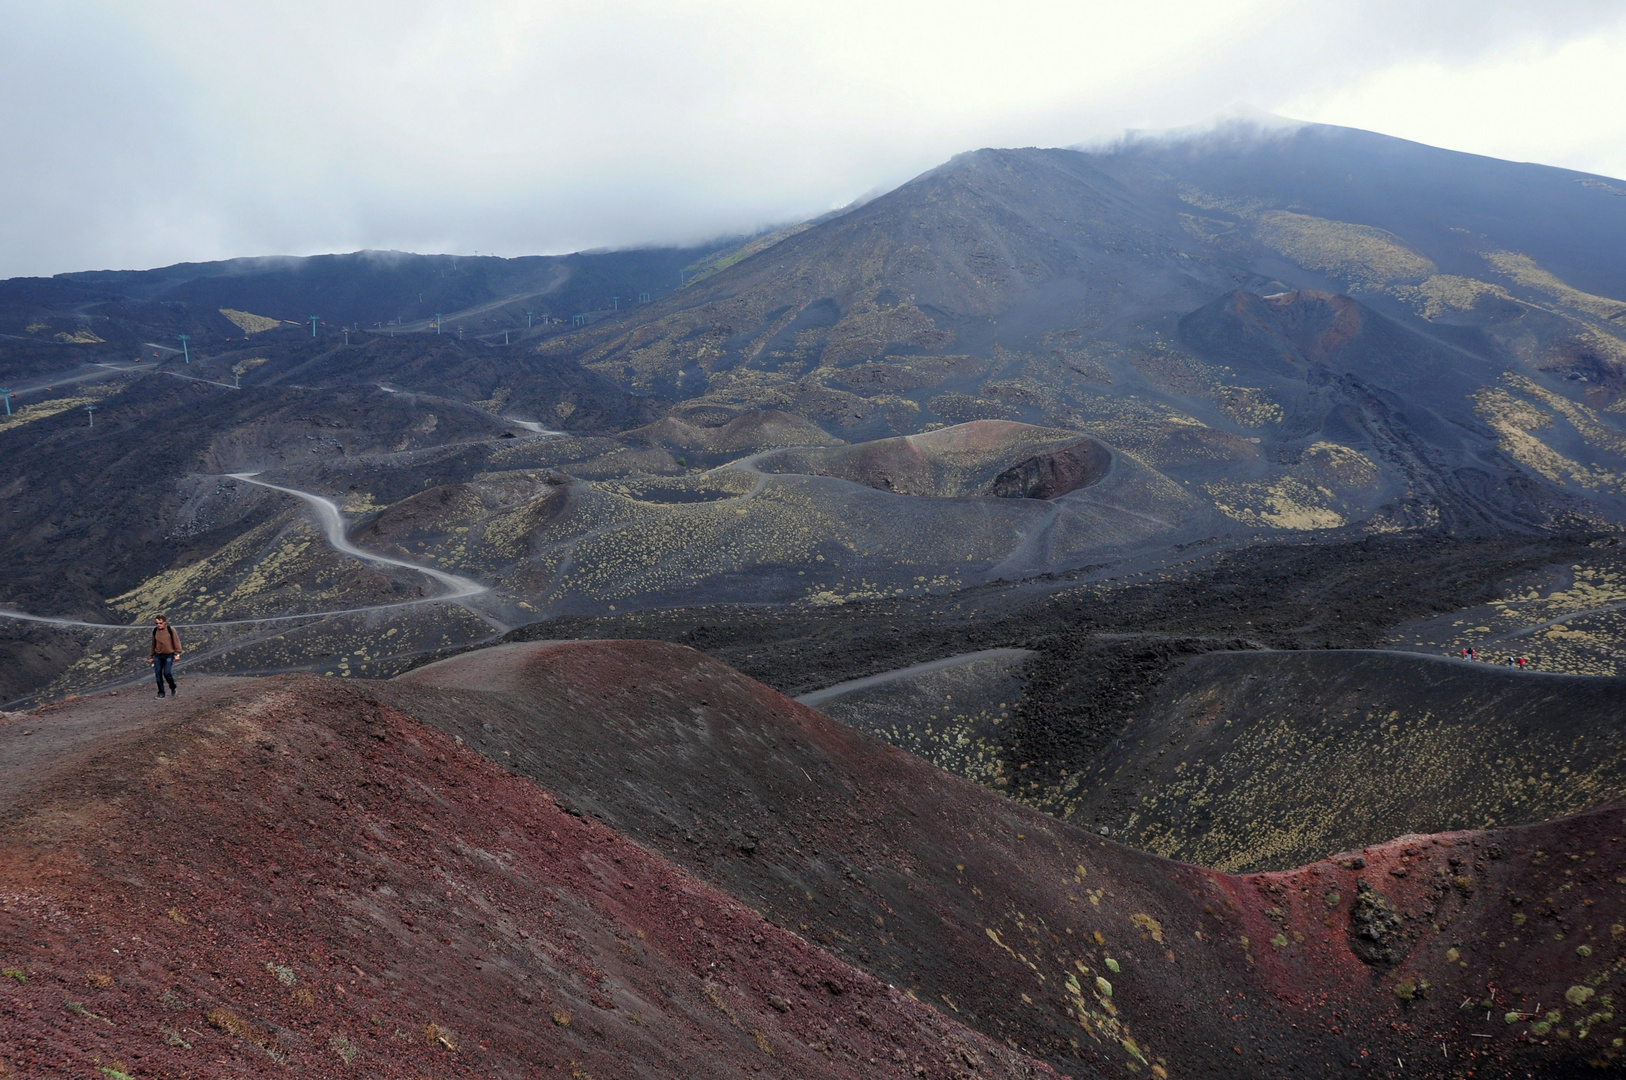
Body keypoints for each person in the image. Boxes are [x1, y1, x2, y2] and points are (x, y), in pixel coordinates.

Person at [150, 614, 181, 697]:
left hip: (169, 655)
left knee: (167, 673)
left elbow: (176, 641)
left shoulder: (170, 630)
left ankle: (173, 687)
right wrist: (151, 656)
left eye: (160, 623)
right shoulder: (155, 631)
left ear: (165, 622)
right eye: (156, 623)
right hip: (158, 656)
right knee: (158, 674)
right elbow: (153, 644)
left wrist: (177, 654)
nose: (158, 625)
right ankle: (161, 692)